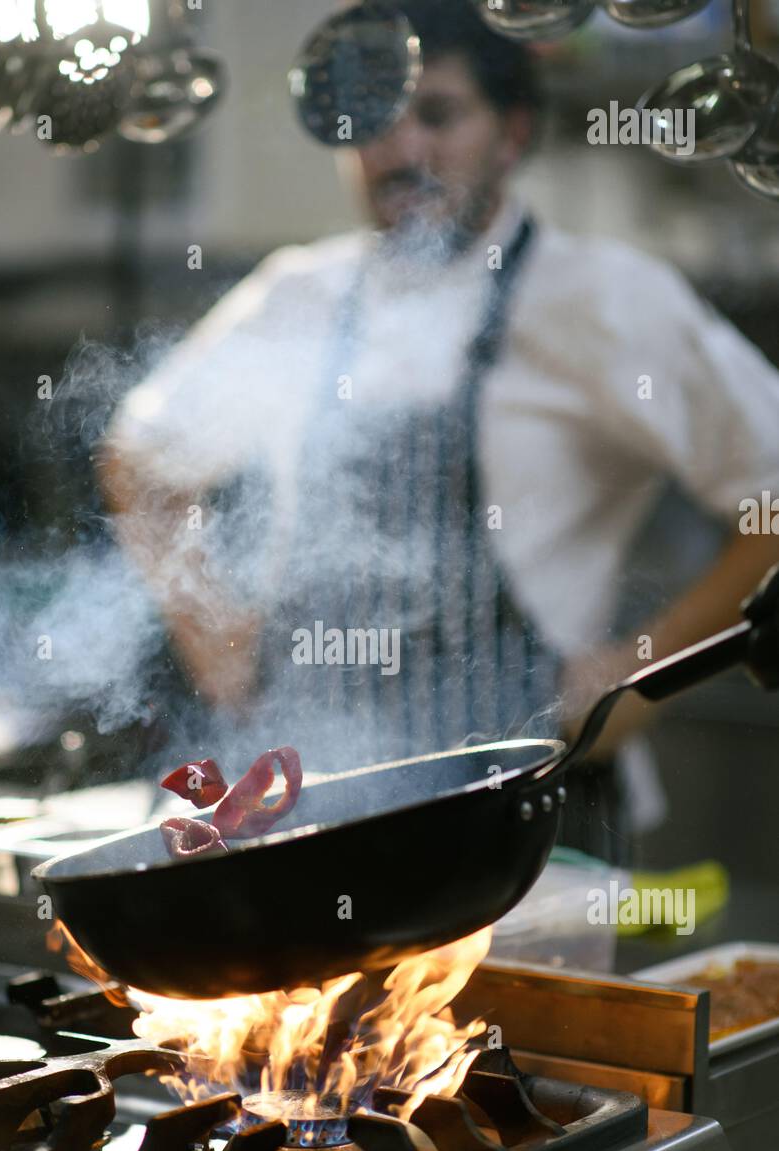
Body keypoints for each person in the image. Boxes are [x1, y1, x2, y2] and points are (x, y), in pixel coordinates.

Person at [101, 0, 779, 861]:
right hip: (310, 813)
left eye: (439, 114)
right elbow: (139, 458)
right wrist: (217, 644)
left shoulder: (605, 298)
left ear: (513, 131)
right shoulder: (296, 295)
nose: (404, 148)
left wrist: (639, 674)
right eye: (375, 118)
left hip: (524, 823)